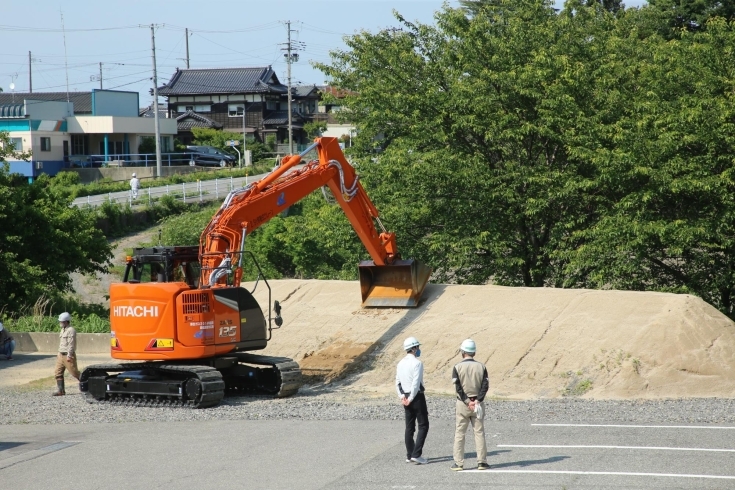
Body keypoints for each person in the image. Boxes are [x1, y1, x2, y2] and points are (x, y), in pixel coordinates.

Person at [450, 338, 490, 471]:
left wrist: (468, 401)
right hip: (478, 404)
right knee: (479, 432)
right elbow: (485, 385)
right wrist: (477, 400)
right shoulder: (482, 367)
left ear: (462, 352)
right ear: (474, 352)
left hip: (463, 404)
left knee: (460, 433)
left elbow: (458, 388)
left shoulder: (457, 367)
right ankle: (482, 462)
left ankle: (459, 463)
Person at [396, 336, 429, 465]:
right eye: (418, 347)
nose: (419, 349)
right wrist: (410, 398)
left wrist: (402, 397)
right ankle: (416, 454)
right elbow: (416, 384)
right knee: (423, 425)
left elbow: (397, 382)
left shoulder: (400, 363)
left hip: (405, 396)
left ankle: (410, 454)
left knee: (409, 427)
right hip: (416, 397)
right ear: (414, 348)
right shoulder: (417, 363)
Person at [53, 312, 80, 396]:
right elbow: (62, 343)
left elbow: (71, 344)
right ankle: (61, 391)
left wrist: (69, 355)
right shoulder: (63, 329)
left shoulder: (71, 330)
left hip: (68, 355)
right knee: (58, 372)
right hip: (61, 354)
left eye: (61, 321)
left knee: (74, 373)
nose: (60, 323)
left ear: (66, 321)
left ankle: (88, 386)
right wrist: (58, 353)